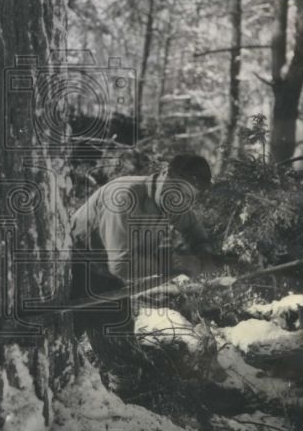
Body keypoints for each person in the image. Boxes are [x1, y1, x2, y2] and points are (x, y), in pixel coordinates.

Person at [70, 154, 218, 367]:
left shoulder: (171, 199)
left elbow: (192, 227)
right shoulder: (124, 197)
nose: (180, 200)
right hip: (76, 268)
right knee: (64, 337)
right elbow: (120, 265)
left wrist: (204, 253)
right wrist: (174, 264)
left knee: (123, 354)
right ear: (165, 175)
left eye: (189, 197)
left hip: (105, 273)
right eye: (179, 190)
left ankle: (118, 384)